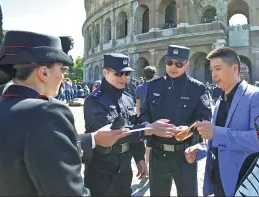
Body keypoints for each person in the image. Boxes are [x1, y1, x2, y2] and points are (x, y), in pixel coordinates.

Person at [0, 31, 130, 196]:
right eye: (62, 70)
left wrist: (93, 139)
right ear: (44, 73)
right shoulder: (47, 112)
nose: (63, 77)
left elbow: (31, 147)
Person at [185, 47, 259, 197]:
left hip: (243, 183)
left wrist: (216, 133)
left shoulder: (257, 95)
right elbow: (220, 138)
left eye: (218, 68)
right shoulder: (220, 99)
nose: (213, 74)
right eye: (211, 69)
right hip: (218, 182)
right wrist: (200, 149)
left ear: (235, 68)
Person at [83, 53, 174, 196]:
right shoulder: (94, 100)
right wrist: (149, 129)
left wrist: (139, 158)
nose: (124, 77)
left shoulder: (127, 98)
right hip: (102, 169)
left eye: (127, 73)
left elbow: (133, 126)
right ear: (105, 72)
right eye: (119, 73)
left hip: (124, 169)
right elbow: (115, 134)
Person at [140, 45, 212, 196]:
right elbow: (144, 114)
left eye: (179, 63)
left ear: (187, 65)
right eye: (169, 62)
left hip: (185, 155)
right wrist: (150, 127)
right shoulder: (153, 86)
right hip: (158, 154)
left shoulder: (197, 88)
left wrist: (188, 130)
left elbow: (205, 118)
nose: (173, 67)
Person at [135, 66, 157, 165]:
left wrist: (139, 119)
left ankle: (146, 165)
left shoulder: (139, 88)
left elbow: (138, 106)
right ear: (154, 74)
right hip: (155, 117)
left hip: (144, 119)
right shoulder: (157, 87)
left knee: (146, 143)